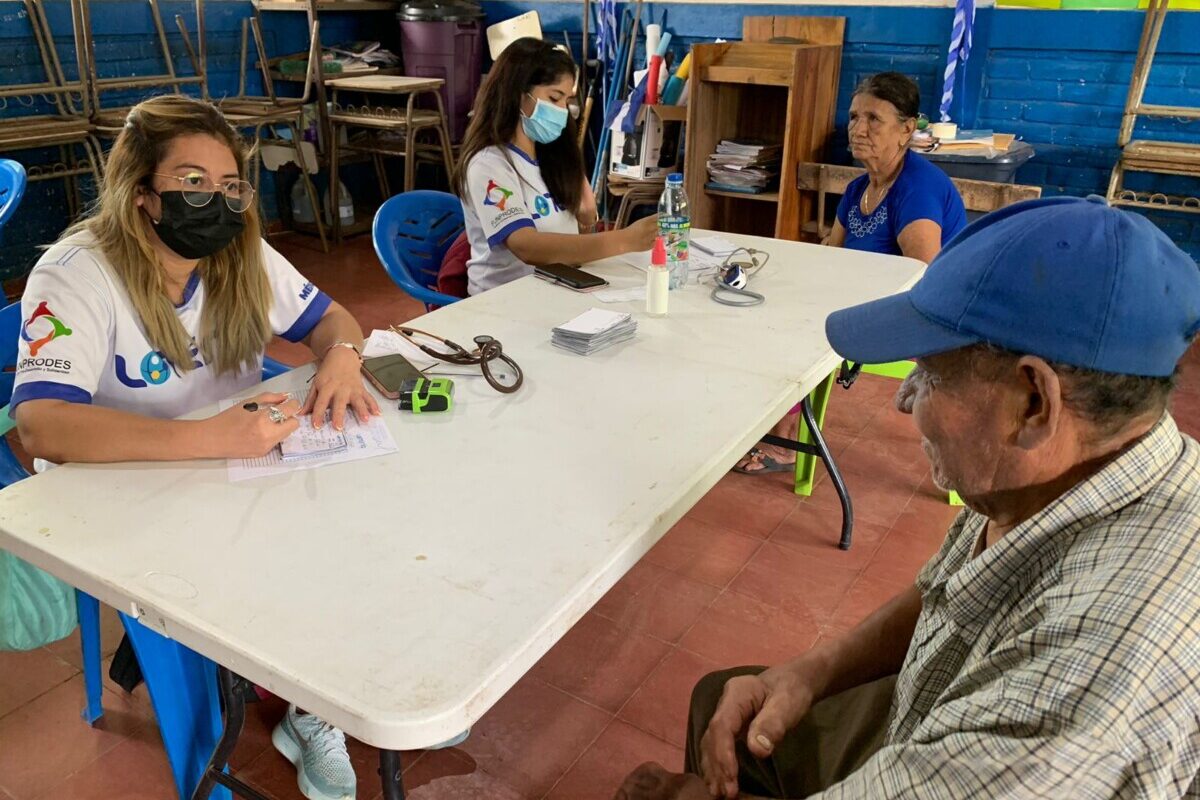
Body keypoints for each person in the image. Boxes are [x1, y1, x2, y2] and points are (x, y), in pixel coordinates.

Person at [615, 197, 1200, 799]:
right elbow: (948, 591)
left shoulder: (1077, 699)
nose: (903, 399)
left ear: (1033, 403)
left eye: (931, 374)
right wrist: (811, 672)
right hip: (937, 701)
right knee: (726, 700)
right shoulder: (1077, 471)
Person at [12, 95, 378, 800]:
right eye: (191, 182)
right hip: (127, 501)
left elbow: (332, 318)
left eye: (229, 184)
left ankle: (314, 705)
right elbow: (42, 427)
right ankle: (241, 730)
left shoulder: (241, 252)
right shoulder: (76, 273)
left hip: (234, 473)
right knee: (270, 569)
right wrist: (211, 438)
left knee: (351, 526)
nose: (216, 201)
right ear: (143, 194)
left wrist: (344, 355)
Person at [735, 72, 967, 476]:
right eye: (855, 116)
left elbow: (925, 279)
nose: (859, 129)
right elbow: (833, 257)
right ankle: (777, 425)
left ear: (906, 129)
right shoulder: (859, 188)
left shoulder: (917, 188)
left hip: (929, 322)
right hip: (871, 307)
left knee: (802, 330)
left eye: (874, 119)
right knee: (775, 312)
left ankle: (786, 439)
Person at [453, 37, 658, 296]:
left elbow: (573, 241)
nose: (562, 111)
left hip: (558, 289)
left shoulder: (551, 156)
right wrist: (624, 240)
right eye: (554, 98)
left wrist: (586, 217)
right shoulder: (489, 164)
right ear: (518, 95)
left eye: (566, 101)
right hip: (505, 300)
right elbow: (526, 246)